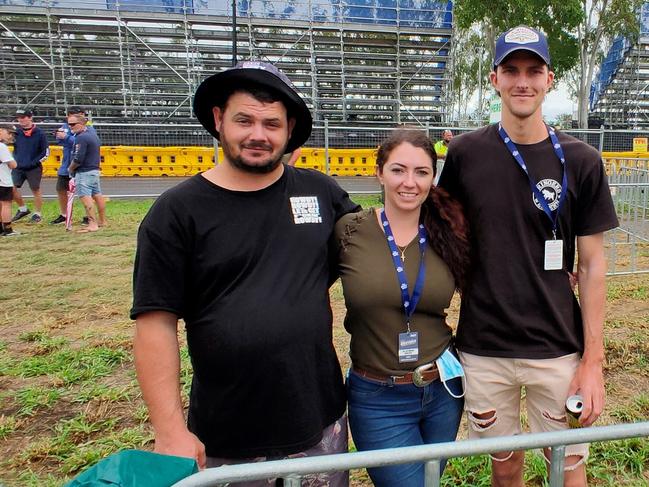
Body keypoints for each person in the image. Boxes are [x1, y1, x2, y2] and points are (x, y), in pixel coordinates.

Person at [131, 61, 360, 486]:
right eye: (244, 120)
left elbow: (377, 250)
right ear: (219, 120)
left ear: (289, 129)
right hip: (227, 436)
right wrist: (170, 431)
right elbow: (154, 323)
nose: (258, 134)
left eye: (272, 123)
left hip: (319, 424)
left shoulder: (321, 193)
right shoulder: (177, 212)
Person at [437, 25, 619, 487]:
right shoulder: (463, 153)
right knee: (504, 462)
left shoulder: (582, 161)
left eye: (533, 70)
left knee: (568, 464)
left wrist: (592, 362)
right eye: (511, 70)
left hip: (557, 345)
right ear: (494, 79)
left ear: (549, 79)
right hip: (484, 347)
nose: (523, 81)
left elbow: (594, 265)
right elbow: (442, 231)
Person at [335, 129, 470, 486]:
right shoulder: (350, 231)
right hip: (377, 397)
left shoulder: (450, 231)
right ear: (379, 172)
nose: (409, 182)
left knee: (429, 481)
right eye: (398, 170)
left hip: (443, 390)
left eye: (421, 172)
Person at [51, 107, 100, 225]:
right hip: (67, 163)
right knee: (61, 188)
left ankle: (89, 217)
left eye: (74, 122)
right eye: (70, 115)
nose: (71, 125)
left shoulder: (89, 129)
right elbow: (60, 140)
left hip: (81, 165)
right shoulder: (65, 126)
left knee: (87, 193)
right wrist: (63, 137)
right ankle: (64, 214)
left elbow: (80, 142)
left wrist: (67, 138)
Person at [68, 112, 106, 232]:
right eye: (69, 124)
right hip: (94, 170)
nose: (70, 127)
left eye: (73, 124)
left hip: (84, 171)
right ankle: (102, 220)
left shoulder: (81, 137)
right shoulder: (91, 134)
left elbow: (78, 158)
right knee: (97, 195)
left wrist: (70, 168)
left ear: (82, 123)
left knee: (85, 197)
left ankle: (92, 223)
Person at [11, 109, 49, 223]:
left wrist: (34, 162)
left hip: (33, 167)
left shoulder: (40, 133)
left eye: (23, 117)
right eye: (19, 117)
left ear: (30, 118)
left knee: (35, 189)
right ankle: (22, 209)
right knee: (11, 188)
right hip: (18, 166)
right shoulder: (17, 133)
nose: (21, 120)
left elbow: (45, 152)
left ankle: (37, 213)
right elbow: (14, 148)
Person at [0, 124, 19, 237]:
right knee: (6, 204)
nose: (11, 136)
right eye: (9, 133)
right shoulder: (2, 146)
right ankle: (8, 229)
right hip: (3, 179)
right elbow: (13, 164)